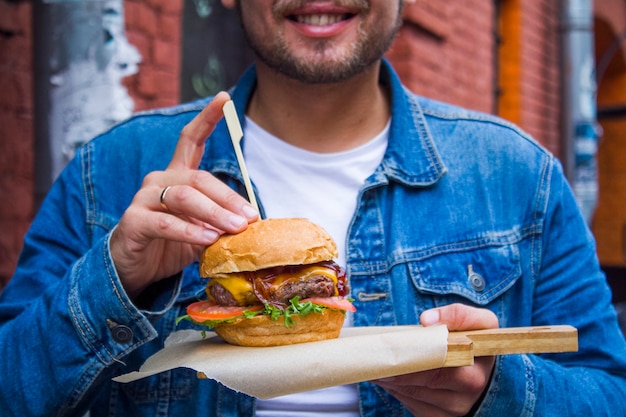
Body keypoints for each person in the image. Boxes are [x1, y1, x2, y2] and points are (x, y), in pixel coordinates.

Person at [1, 0, 625, 415]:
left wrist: (498, 391)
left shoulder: (519, 175)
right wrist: (116, 281)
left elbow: (609, 392)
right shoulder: (110, 169)